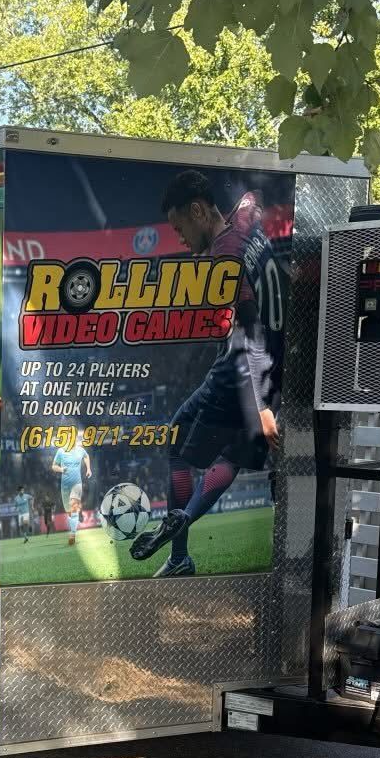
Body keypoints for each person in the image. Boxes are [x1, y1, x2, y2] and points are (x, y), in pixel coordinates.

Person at [130, 170, 281, 576]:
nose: (180, 240)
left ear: (198, 210)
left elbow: (248, 326)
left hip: (239, 366)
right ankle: (188, 520)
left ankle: (180, 548)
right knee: (231, 452)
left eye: (180, 228)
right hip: (272, 361)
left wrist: (263, 405)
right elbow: (253, 198)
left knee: (177, 442)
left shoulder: (225, 253)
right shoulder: (243, 224)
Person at [52, 440, 91, 546]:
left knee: (73, 507)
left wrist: (88, 469)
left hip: (77, 483)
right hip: (64, 486)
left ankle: (72, 535)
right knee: (69, 512)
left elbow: (86, 456)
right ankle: (74, 527)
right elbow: (54, 466)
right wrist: (61, 469)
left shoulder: (80, 450)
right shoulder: (60, 451)